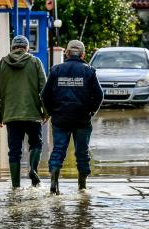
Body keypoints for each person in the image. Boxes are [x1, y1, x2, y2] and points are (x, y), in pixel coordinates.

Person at [41, 40, 104, 194]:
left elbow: (44, 95)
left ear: (67, 53)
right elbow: (99, 95)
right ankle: (82, 187)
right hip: (82, 119)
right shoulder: (89, 71)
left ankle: (54, 182)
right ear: (83, 54)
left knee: (58, 150)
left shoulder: (56, 70)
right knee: (82, 153)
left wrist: (51, 112)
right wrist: (91, 111)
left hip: (60, 118)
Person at [0, 35, 48, 188]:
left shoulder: (2, 63)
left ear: (12, 47)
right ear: (27, 48)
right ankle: (33, 170)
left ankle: (15, 186)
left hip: (11, 115)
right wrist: (46, 112)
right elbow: (44, 89)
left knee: (14, 151)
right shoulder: (35, 62)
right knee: (36, 144)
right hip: (32, 113)